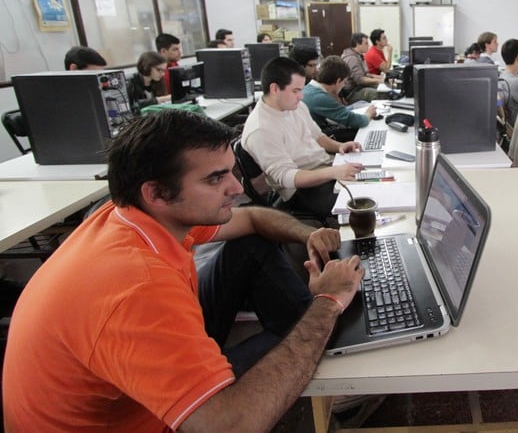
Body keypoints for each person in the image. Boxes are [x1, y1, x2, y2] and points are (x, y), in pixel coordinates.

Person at [2, 110, 364, 430]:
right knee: (311, 328)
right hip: (146, 420)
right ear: (156, 193)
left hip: (132, 375)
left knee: (250, 247)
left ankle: (311, 335)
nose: (237, 187)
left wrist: (310, 234)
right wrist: (327, 303)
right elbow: (230, 426)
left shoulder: (138, 214)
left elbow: (253, 217)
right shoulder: (138, 289)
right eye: (215, 179)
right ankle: (319, 340)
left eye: (231, 172)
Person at [242, 57, 364, 224]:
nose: (301, 96)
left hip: (325, 170)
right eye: (295, 90)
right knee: (364, 204)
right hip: (302, 190)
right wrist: (334, 172)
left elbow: (317, 136)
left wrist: (340, 146)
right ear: (275, 89)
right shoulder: (260, 129)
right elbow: (286, 177)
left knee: (371, 182)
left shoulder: (295, 106)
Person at [304, 55, 377, 142]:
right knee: (364, 131)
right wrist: (368, 114)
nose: (343, 85)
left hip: (317, 131)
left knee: (360, 103)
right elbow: (355, 121)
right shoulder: (320, 97)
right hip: (319, 137)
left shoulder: (309, 88)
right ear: (338, 81)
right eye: (344, 82)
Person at [341, 32, 382, 103]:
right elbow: (359, 80)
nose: (368, 45)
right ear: (357, 44)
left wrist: (380, 78)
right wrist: (378, 80)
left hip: (358, 87)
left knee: (381, 87)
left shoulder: (358, 55)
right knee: (376, 93)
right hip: (352, 92)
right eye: (366, 43)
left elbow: (365, 74)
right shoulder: (352, 58)